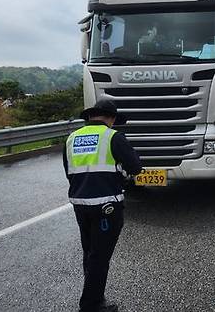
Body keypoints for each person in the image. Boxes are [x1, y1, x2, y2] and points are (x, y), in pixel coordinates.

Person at [63, 99, 142, 312]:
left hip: (80, 204)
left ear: (90, 116)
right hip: (107, 205)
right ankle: (91, 304)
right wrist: (121, 175)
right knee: (100, 256)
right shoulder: (113, 137)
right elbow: (135, 167)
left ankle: (94, 294)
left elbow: (69, 172)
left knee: (89, 252)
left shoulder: (71, 138)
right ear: (112, 118)